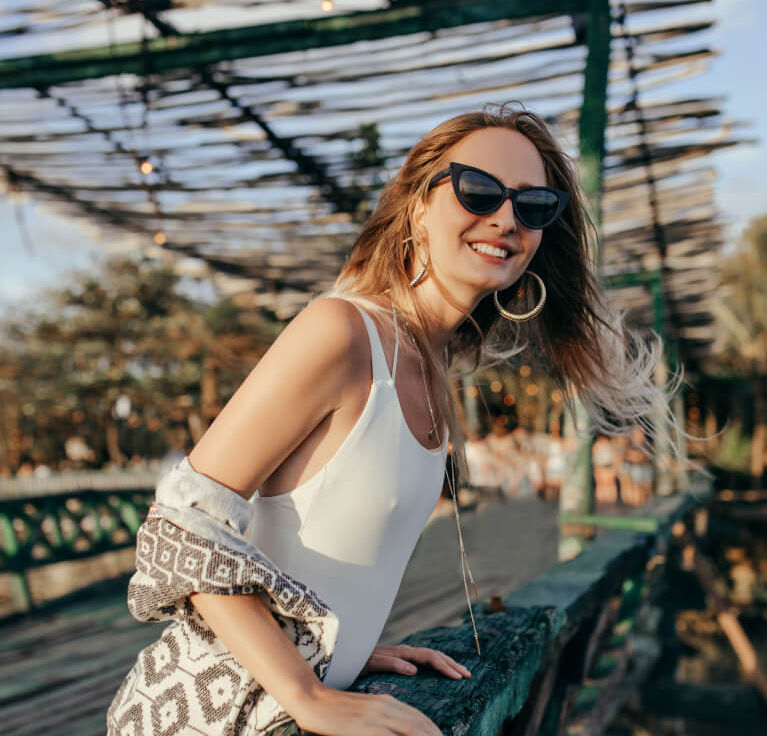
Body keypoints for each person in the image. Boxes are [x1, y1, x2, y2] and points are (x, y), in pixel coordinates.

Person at [107, 101, 681, 735]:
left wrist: (338, 651)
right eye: (479, 191)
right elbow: (181, 523)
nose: (505, 218)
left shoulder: (433, 364)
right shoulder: (341, 331)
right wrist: (306, 691)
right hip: (208, 714)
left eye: (534, 205)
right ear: (417, 207)